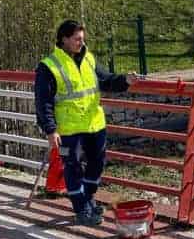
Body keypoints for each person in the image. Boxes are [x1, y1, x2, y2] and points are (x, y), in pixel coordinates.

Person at [35, 19, 138, 226]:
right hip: (68, 128)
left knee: (97, 164)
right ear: (64, 39)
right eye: (77, 39)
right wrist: (50, 130)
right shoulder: (48, 66)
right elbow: (43, 101)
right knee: (72, 168)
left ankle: (88, 198)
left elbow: (106, 80)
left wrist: (125, 80)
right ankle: (81, 208)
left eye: (82, 39)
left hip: (94, 124)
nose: (81, 42)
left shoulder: (89, 59)